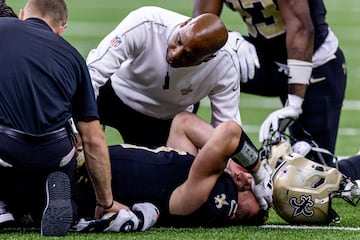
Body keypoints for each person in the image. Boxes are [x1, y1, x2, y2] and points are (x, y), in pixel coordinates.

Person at [0, 0, 128, 236]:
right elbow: (93, 138)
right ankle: (60, 201)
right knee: (51, 158)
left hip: (5, 148)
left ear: (21, 15)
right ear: (61, 29)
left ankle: (3, 205)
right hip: (55, 154)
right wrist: (106, 202)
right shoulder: (73, 57)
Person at [193, 0, 347, 165]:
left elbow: (301, 27)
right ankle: (176, 150)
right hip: (266, 59)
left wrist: (294, 103)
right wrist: (229, 38)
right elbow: (199, 25)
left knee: (312, 171)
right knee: (196, 56)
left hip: (314, 63)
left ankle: (356, 166)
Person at [74, 111, 272, 229]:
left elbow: (229, 133)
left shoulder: (203, 197)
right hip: (87, 168)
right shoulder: (189, 177)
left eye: (250, 188)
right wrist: (231, 164)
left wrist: (259, 174)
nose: (247, 179)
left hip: (83, 174)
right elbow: (183, 123)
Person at [86, 6, 242, 147]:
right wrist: (82, 123)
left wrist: (249, 171)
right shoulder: (146, 23)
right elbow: (94, 72)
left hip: (165, 118)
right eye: (179, 41)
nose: (175, 53)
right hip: (115, 93)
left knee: (158, 176)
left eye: (188, 56)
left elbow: (227, 128)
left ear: (208, 59)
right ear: (184, 24)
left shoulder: (226, 65)